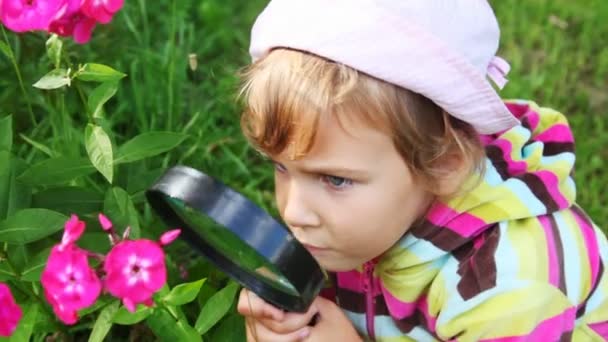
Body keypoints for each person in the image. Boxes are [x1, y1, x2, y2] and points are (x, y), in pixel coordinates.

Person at [234, 0, 608, 340]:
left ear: (443, 163)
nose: (294, 212)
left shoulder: (502, 282)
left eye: (335, 179)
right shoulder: (361, 212)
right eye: (280, 167)